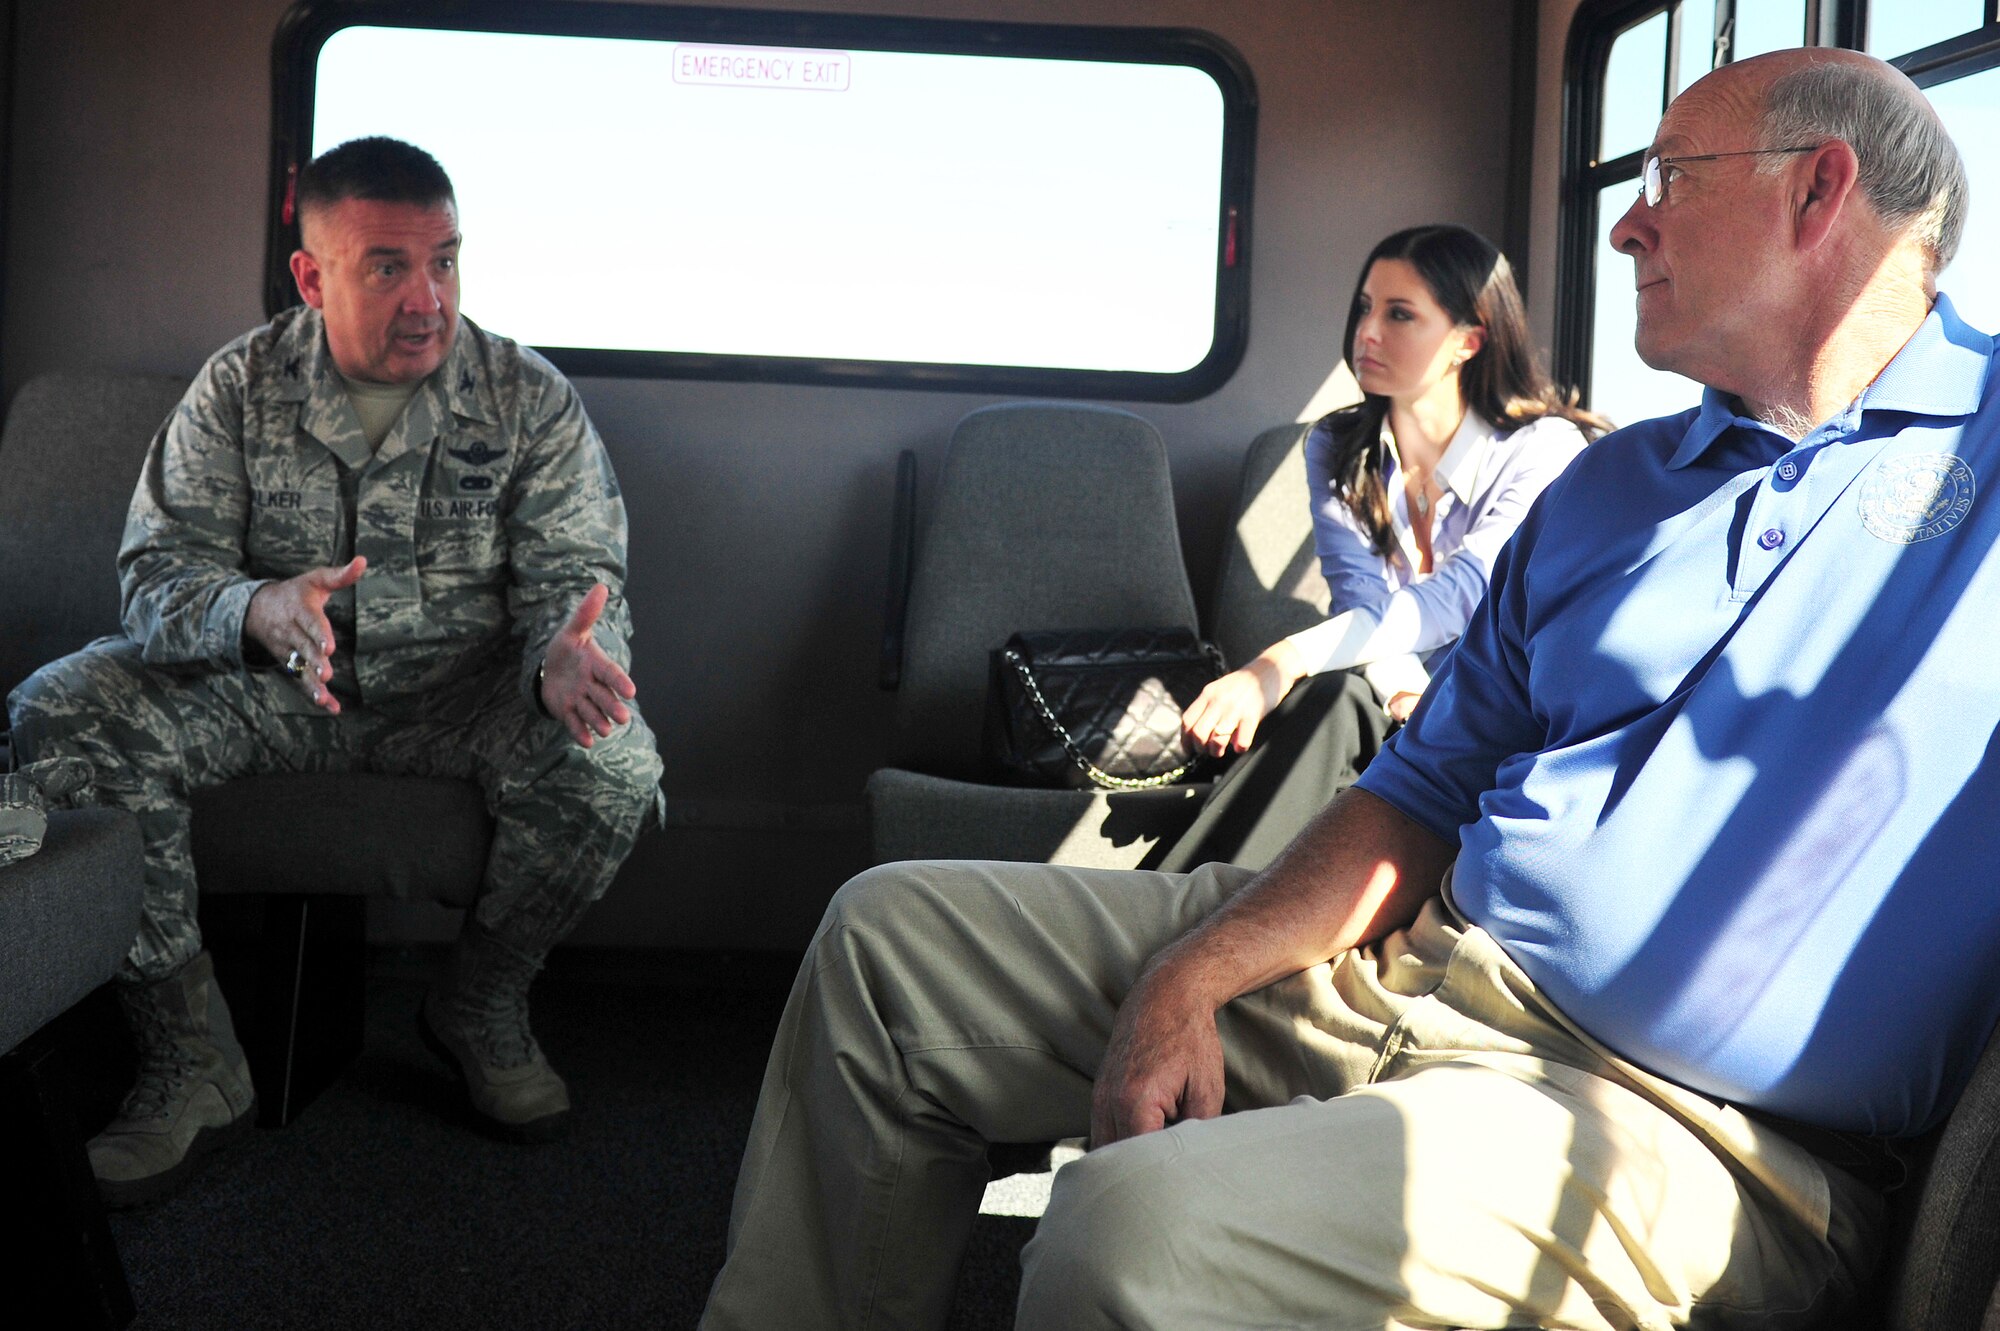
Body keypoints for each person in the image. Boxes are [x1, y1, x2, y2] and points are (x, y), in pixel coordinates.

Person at [701, 46, 1994, 1330]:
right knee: (888, 944)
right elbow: (1425, 784)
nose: (1625, 222)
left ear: (1818, 195)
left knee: (1127, 1230)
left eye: (1669, 175)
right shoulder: (1617, 484)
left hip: (1681, 1131)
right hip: (1412, 954)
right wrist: (1189, 974)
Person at [8, 137, 664, 1206]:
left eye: (445, 262)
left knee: (613, 757)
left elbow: (576, 575)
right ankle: (190, 1055)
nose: (427, 299)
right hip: (270, 686)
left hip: (464, 692)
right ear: (311, 275)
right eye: (387, 267)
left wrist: (564, 652)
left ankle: (481, 1004)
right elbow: (158, 577)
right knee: (63, 707)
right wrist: (254, 606)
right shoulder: (239, 385)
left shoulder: (524, 396)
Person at [1161, 224, 1603, 874]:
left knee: (1323, 692)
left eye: (1399, 314)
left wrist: (1278, 661)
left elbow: (1463, 596)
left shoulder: (1543, 450)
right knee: (1333, 700)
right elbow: (1361, 601)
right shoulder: (1337, 448)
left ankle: (1184, 908)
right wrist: (1401, 697)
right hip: (1398, 702)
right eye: (1366, 307)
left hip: (1511, 711)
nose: (1367, 332)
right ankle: (1193, 902)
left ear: (1467, 341)